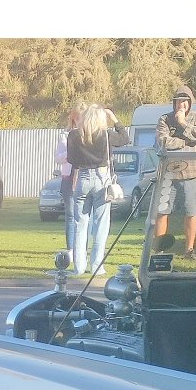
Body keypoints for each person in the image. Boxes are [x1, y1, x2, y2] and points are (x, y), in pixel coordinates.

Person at [65, 104, 129, 275]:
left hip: (83, 177)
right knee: (101, 224)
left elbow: (71, 159)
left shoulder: (74, 135)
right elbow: (124, 138)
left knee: (80, 223)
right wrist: (114, 118)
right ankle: (97, 266)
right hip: (102, 179)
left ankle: (79, 267)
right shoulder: (106, 135)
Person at [154, 85, 196, 260]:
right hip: (168, 173)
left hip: (191, 173)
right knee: (162, 211)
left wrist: (183, 123)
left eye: (185, 101)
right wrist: (185, 142)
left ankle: (189, 250)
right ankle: (158, 250)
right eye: (179, 101)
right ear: (174, 103)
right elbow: (163, 142)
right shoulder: (164, 119)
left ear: (190, 102)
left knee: (191, 211)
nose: (182, 104)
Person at [54, 106, 81, 254]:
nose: (79, 121)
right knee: (70, 214)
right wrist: (70, 152)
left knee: (83, 215)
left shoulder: (88, 135)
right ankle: (70, 248)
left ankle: (82, 248)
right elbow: (58, 158)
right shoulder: (64, 136)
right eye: (77, 117)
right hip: (68, 177)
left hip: (83, 175)